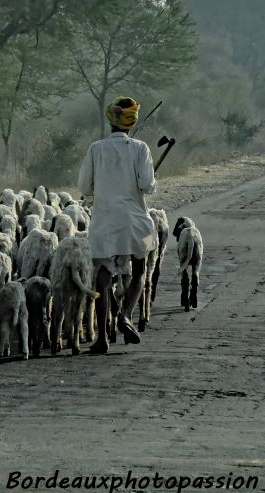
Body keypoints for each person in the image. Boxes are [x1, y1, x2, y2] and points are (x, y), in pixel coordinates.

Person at [77, 96, 157, 355]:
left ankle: (102, 339)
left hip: (104, 225)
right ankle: (125, 315)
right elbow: (147, 185)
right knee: (142, 264)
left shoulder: (95, 149)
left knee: (103, 274)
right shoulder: (141, 148)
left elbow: (84, 188)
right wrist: (151, 183)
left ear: (111, 120)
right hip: (138, 226)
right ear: (130, 122)